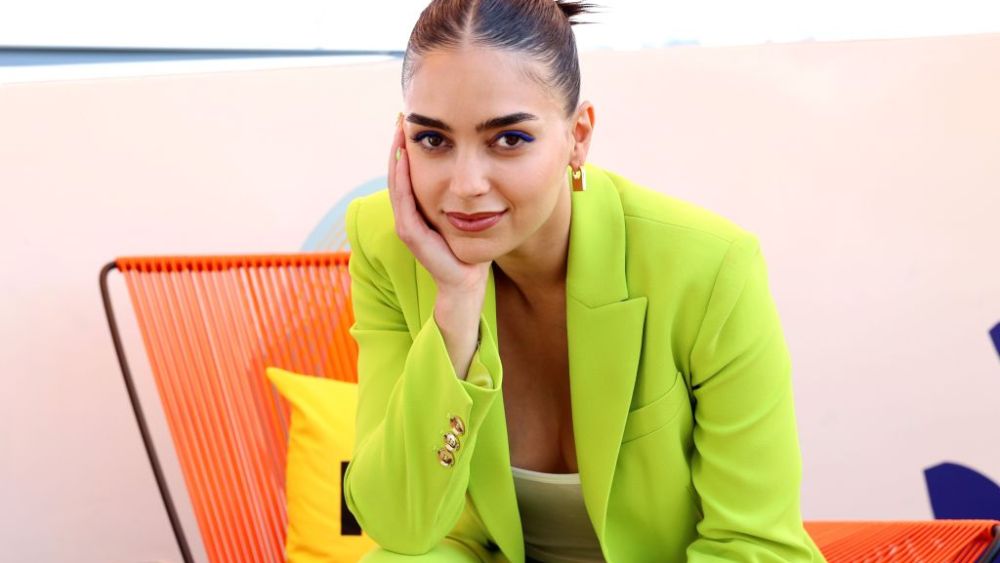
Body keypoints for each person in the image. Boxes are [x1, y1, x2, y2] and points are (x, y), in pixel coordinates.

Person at [342, 1, 825, 561]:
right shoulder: (388, 244)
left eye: (509, 139)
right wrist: (456, 306)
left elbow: (754, 544)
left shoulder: (709, 267)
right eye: (433, 140)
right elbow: (398, 528)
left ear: (578, 135)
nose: (466, 185)